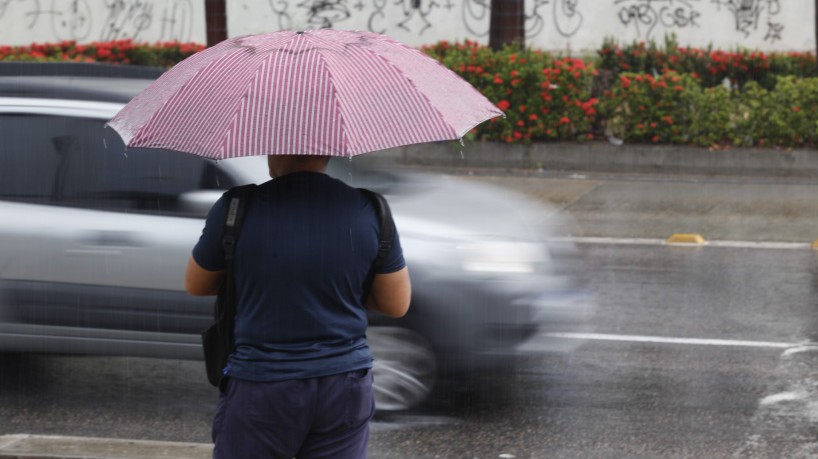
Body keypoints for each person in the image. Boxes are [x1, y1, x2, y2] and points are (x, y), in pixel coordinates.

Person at [184, 154, 411, 459]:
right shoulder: (370, 209)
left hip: (261, 383)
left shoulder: (237, 208)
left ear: (277, 148)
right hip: (343, 383)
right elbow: (396, 304)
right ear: (328, 150)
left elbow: (197, 285)